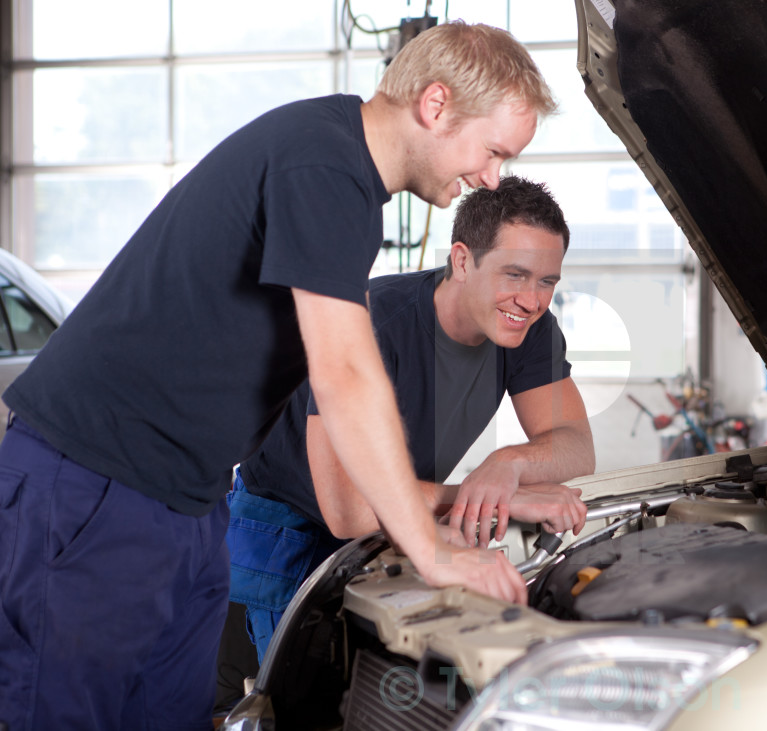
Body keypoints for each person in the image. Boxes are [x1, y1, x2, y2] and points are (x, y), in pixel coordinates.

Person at [0, 21, 555, 731]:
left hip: (188, 499)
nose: (490, 177)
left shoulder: (347, 184)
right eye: (494, 151)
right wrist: (432, 551)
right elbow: (345, 372)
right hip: (94, 488)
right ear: (436, 105)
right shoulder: (322, 161)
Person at [226, 175, 594, 666]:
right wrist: (486, 496)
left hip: (392, 525)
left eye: (547, 281)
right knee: (299, 704)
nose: (532, 300)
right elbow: (347, 511)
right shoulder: (376, 325)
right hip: (287, 533)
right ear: (463, 260)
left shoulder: (529, 330)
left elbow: (575, 446)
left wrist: (508, 465)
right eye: (515, 274)